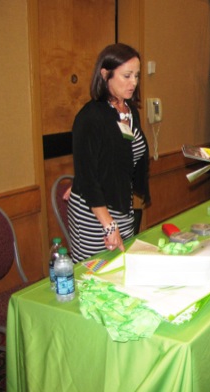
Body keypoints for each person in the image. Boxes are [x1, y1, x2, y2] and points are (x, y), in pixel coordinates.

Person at [68, 43, 150, 263]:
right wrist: (109, 225)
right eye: (127, 75)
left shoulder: (130, 111)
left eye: (137, 75)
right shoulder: (90, 117)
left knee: (119, 269)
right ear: (105, 75)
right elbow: (88, 174)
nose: (134, 82)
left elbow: (117, 158)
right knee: (94, 274)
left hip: (121, 204)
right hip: (94, 213)